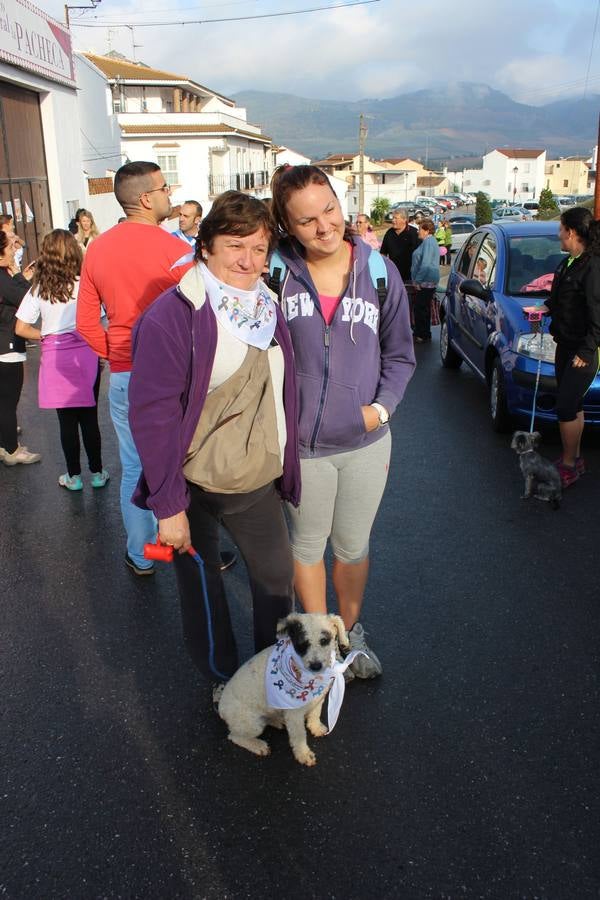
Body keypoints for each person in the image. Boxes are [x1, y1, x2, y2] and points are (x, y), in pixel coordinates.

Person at [128, 191, 300, 696]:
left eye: (260, 247)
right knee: (205, 593)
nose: (249, 260)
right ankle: (223, 682)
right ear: (205, 247)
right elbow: (153, 415)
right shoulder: (174, 314)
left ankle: (272, 681)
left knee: (275, 584)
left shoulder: (266, 303)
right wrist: (167, 505)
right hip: (192, 485)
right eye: (235, 245)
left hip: (255, 482)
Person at [269, 164, 415, 679]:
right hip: (302, 449)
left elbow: (400, 355)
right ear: (286, 225)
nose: (324, 226)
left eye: (328, 209)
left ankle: (348, 640)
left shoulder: (377, 271)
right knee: (307, 549)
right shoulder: (275, 272)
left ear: (340, 202)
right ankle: (315, 647)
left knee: (353, 548)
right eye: (306, 220)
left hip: (365, 443)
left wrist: (379, 409)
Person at [76, 161, 195, 575]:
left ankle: (144, 554)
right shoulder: (177, 251)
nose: (170, 195)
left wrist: (115, 353)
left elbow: (86, 322)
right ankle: (191, 549)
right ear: (146, 199)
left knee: (134, 467)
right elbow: (200, 314)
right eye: (165, 188)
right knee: (188, 461)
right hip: (176, 375)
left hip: (126, 373)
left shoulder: (97, 249)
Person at [14, 230, 108, 491]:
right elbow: (100, 319)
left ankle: (74, 477)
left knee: (66, 421)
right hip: (86, 353)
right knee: (89, 417)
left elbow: (21, 327)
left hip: (56, 356)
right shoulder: (86, 284)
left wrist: (44, 337)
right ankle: (98, 473)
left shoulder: (40, 288)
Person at [544, 207, 600, 488]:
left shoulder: (593, 267)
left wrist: (587, 350)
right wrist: (542, 308)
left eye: (561, 229)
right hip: (564, 344)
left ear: (573, 232)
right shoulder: (567, 263)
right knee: (573, 404)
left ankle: (567, 465)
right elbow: (557, 300)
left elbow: (597, 315)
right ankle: (575, 459)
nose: (559, 235)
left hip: (582, 351)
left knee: (565, 406)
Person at [0, 230, 40, 465]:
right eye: (11, 246)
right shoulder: (4, 278)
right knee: (8, 401)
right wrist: (19, 276)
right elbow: (28, 298)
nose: (15, 250)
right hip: (7, 346)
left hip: (4, 345)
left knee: (3, 401)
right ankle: (13, 451)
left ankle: (5, 444)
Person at [410, 217, 440, 344]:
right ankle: (425, 333)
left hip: (425, 281)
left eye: (420, 229)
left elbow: (426, 263)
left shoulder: (428, 242)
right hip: (427, 280)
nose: (418, 232)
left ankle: (421, 333)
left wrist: (417, 281)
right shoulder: (429, 241)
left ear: (426, 231)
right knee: (424, 308)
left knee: (420, 308)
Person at [380, 209, 419, 283]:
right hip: (393, 274)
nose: (393, 220)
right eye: (393, 218)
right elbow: (383, 253)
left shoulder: (414, 233)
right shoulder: (389, 233)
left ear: (404, 220)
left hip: (410, 276)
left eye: (396, 218)